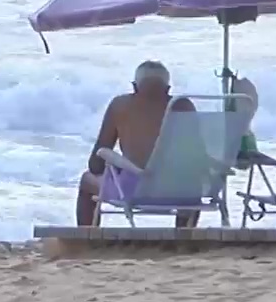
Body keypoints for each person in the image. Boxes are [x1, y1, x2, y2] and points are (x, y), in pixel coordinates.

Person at [76, 60, 197, 228]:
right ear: (168, 89)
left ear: (134, 86)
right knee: (190, 181)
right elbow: (198, 157)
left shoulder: (120, 105)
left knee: (86, 180)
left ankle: (87, 237)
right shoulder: (184, 106)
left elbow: (95, 165)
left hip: (134, 191)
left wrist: (121, 166)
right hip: (182, 193)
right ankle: (184, 236)